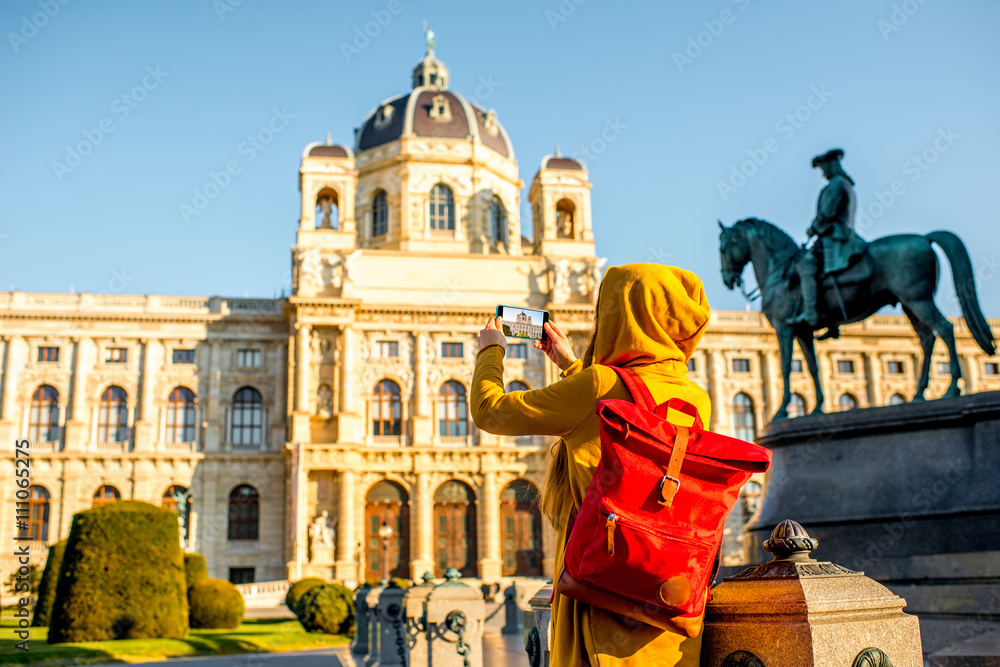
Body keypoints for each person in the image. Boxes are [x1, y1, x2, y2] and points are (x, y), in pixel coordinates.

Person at [471, 264, 711, 666]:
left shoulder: (596, 384)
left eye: (606, 311)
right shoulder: (693, 396)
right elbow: (616, 416)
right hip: (671, 597)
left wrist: (490, 349)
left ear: (624, 318)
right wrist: (569, 366)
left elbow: (489, 410)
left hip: (603, 594)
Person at [788, 148, 866, 327]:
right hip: (843, 235)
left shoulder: (836, 184)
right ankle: (830, 321)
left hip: (836, 238)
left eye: (824, 170)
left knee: (804, 266)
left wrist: (812, 229)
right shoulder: (846, 184)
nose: (823, 174)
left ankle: (810, 314)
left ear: (832, 166)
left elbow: (826, 213)